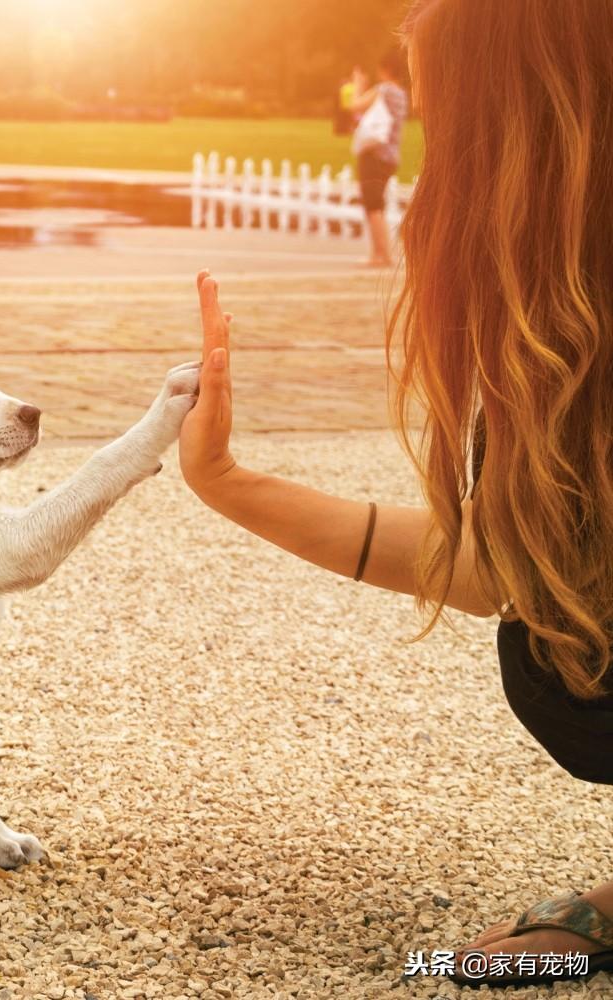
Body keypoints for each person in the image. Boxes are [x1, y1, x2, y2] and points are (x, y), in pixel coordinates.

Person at [179, 0, 613, 988]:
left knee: (570, 673)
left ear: (531, 137)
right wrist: (228, 484)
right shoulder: (572, 331)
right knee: (563, 639)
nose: (429, 180)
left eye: (446, 129)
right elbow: (526, 569)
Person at [351, 49, 409, 267]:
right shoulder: (402, 94)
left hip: (375, 154)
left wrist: (358, 85)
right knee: (379, 204)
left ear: (384, 69)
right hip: (391, 156)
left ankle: (380, 254)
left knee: (372, 205)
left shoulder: (383, 90)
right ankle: (382, 253)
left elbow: (354, 105)